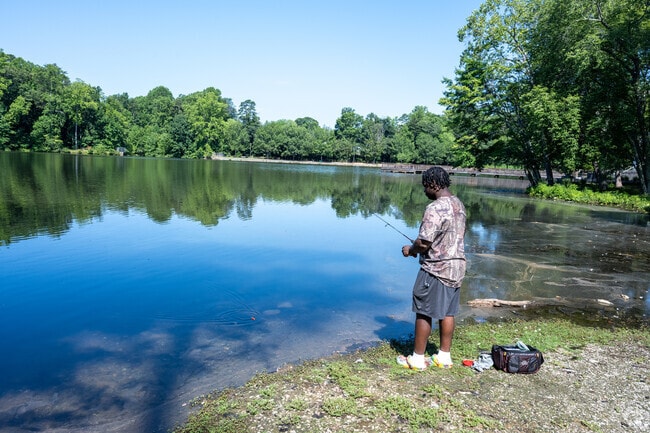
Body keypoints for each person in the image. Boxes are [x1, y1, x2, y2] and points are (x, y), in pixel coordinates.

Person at [397, 166, 466, 370]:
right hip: (458, 266)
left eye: (425, 186)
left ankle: (417, 359)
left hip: (436, 268)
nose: (424, 190)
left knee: (423, 310)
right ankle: (444, 356)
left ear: (433, 184)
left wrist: (411, 250)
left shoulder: (435, 208)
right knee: (448, 312)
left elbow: (425, 242)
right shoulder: (459, 204)